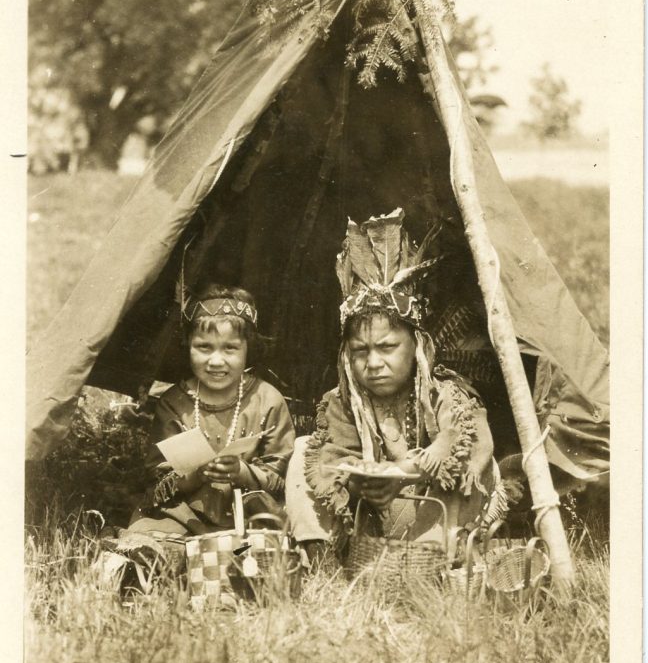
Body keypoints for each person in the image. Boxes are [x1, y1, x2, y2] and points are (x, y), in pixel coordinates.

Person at [286, 209, 507, 563]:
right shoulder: (344, 401)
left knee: (481, 466)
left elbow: (468, 445)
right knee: (303, 452)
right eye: (360, 352)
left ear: (417, 346)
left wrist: (404, 475)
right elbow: (334, 457)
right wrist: (360, 483)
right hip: (375, 514)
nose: (373, 363)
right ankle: (320, 555)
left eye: (388, 348)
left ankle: (445, 556)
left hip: (433, 512)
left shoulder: (445, 393)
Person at [127, 284, 296, 540]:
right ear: (188, 346)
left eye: (230, 348)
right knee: (149, 535)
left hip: (248, 509)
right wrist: (194, 477)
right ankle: (173, 551)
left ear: (248, 348)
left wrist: (242, 472)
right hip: (186, 512)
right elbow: (157, 480)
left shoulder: (267, 399)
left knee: (260, 542)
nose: (216, 361)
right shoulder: (174, 402)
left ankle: (236, 555)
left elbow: (281, 476)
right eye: (204, 347)